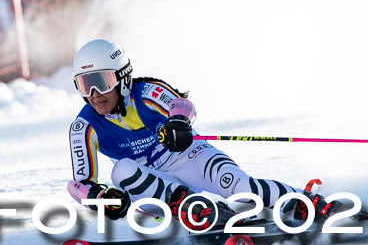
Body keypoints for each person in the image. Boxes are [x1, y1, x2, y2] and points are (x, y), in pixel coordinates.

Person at [68, 39, 340, 230]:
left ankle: (311, 205)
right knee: (122, 171)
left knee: (242, 189)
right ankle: (200, 210)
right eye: (84, 85)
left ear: (123, 77)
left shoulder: (146, 92)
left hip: (187, 157)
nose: (94, 95)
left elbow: (182, 106)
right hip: (151, 186)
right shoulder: (84, 127)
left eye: (102, 82)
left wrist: (178, 124)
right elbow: (79, 184)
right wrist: (100, 199)